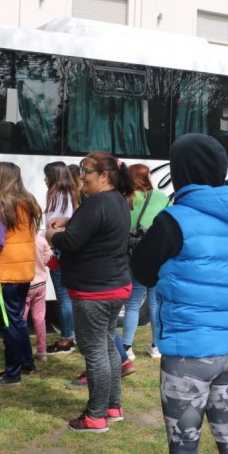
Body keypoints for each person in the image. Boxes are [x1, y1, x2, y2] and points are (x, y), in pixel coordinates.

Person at [132, 134, 228, 454]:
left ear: (180, 171)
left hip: (190, 351)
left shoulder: (174, 220)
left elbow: (142, 270)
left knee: (184, 444)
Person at [46, 152, 134, 433]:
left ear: (105, 176)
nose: (81, 176)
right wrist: (68, 220)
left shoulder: (97, 202)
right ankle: (113, 407)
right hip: (114, 287)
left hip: (94, 291)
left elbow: (72, 242)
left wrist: (52, 235)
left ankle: (95, 416)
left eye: (86, 171)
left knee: (96, 352)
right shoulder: (117, 200)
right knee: (107, 347)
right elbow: (93, 229)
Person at [0, 162, 42, 386]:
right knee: (17, 320)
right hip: (22, 271)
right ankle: (26, 362)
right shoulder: (26, 200)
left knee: (9, 324)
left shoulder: (1, 203)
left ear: (0, 177)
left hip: (4, 273)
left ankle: (12, 373)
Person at [122, 163, 170, 359]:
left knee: (133, 304)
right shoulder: (161, 197)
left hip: (134, 256)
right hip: (157, 256)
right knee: (155, 304)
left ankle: (127, 347)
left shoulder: (126, 198)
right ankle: (156, 346)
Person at [42, 161, 81, 355]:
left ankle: (66, 339)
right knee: (72, 296)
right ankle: (74, 335)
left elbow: (52, 227)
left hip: (59, 249)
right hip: (72, 250)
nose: (44, 179)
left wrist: (47, 242)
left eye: (47, 175)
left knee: (63, 297)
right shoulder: (74, 193)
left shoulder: (55, 196)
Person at [25, 233, 52, 361]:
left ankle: (24, 351)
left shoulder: (19, 240)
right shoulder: (41, 240)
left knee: (21, 319)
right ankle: (42, 350)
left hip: (25, 285)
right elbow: (48, 259)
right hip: (41, 284)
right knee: (39, 318)